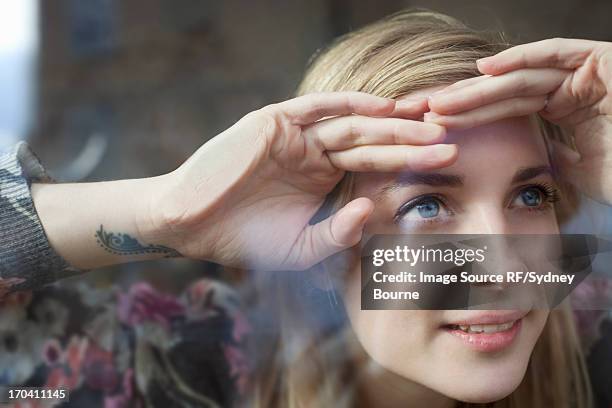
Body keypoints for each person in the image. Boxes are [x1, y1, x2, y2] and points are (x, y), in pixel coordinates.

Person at [0, 7, 610, 408]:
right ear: (319, 243)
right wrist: (168, 212)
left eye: (531, 195)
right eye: (427, 205)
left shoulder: (583, 327)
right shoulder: (187, 361)